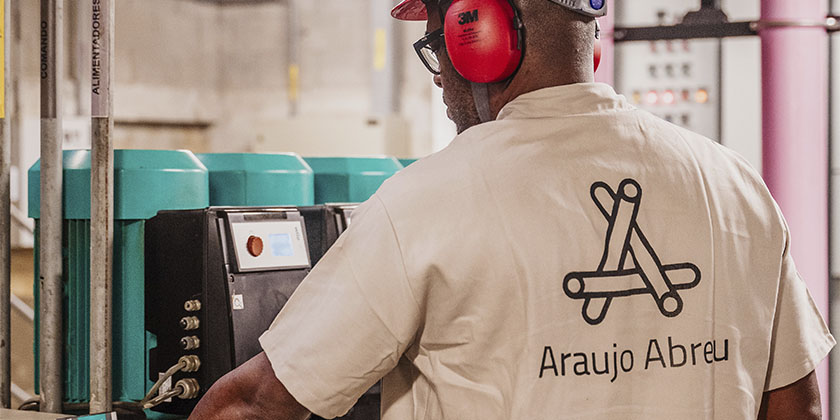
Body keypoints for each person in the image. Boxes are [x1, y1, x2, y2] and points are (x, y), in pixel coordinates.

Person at [189, 0, 835, 418]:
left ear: (479, 33)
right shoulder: (739, 191)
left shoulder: (427, 203)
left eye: (436, 40)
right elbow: (799, 409)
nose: (438, 74)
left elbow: (257, 405)